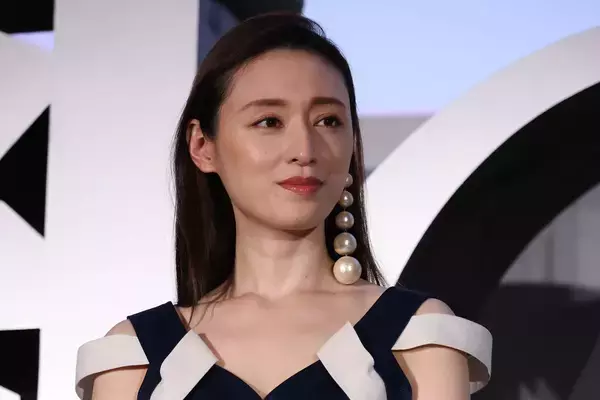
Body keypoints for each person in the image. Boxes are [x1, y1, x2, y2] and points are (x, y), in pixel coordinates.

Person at [75, 13, 492, 400]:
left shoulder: (418, 337)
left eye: (328, 121)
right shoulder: (134, 357)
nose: (305, 150)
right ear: (202, 146)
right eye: (269, 122)